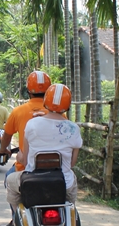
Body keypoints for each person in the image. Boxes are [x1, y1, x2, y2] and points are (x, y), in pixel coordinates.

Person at [4, 83, 82, 217]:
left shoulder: (32, 124)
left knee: (10, 180)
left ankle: (19, 218)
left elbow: (26, 159)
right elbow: (71, 164)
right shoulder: (73, 128)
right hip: (64, 183)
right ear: (68, 105)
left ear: (46, 102)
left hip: (33, 181)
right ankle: (69, 218)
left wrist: (18, 157)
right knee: (71, 190)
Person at [0, 71, 51, 226]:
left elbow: (6, 136)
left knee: (9, 177)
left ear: (28, 90)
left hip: (26, 168)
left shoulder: (19, 111)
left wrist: (4, 149)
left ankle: (16, 219)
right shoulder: (58, 113)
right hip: (55, 167)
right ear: (49, 91)